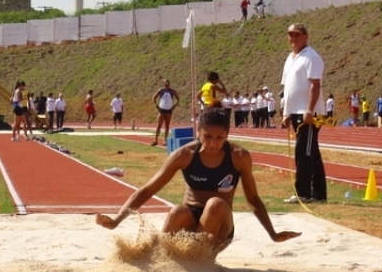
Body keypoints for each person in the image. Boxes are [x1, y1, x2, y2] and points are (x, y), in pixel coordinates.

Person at [95, 107, 301, 253]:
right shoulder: (184, 155)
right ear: (199, 133)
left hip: (219, 228)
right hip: (189, 222)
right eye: (207, 136)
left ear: (227, 135)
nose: (212, 143)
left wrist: (272, 233)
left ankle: (200, 257)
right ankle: (159, 254)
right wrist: (116, 220)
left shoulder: (239, 156)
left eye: (219, 138)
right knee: (178, 210)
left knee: (216, 204)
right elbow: (148, 189)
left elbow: (253, 199)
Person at [281, 23, 327, 204]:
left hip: (308, 112)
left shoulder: (311, 57)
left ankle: (304, 193)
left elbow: (315, 85)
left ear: (305, 36)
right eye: (290, 35)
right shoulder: (290, 58)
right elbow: (287, 88)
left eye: (297, 35)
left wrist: (309, 110)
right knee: (311, 152)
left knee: (303, 152)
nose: (293, 38)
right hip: (294, 111)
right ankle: (320, 193)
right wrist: (285, 112)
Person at [152, 79, 179, 146]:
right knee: (159, 125)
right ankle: (155, 140)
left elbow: (178, 99)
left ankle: (165, 141)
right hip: (162, 109)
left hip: (169, 110)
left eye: (167, 82)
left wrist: (174, 106)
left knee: (167, 126)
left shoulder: (172, 91)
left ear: (169, 83)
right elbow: (154, 97)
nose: (166, 84)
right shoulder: (161, 90)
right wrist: (156, 106)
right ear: (163, 83)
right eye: (165, 82)